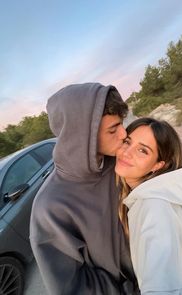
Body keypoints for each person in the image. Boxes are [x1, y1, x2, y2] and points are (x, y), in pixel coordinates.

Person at [30, 83, 139, 295]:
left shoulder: (118, 164)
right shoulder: (50, 207)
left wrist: (170, 235)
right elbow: (72, 287)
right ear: (81, 135)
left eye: (121, 124)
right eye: (112, 129)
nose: (124, 133)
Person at [115, 117, 182, 295]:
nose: (126, 153)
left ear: (158, 165)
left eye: (142, 151)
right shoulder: (146, 198)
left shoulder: (153, 208)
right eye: (127, 142)